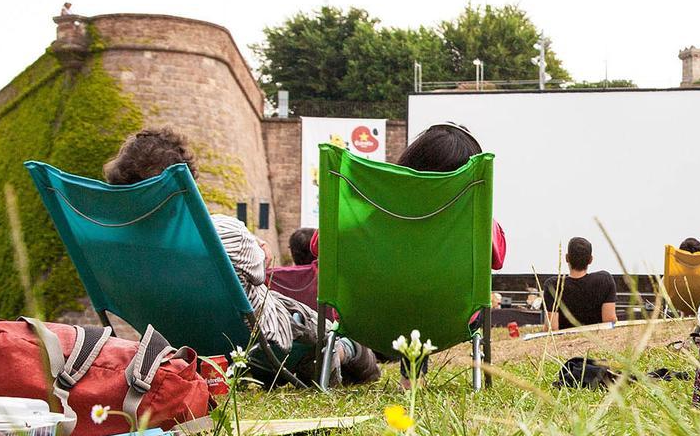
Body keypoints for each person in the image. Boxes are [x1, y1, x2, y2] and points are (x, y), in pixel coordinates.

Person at [103, 128, 380, 385]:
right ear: (184, 183)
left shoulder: (117, 247)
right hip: (264, 343)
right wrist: (257, 246)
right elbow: (260, 271)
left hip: (182, 345)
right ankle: (343, 351)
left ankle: (326, 356)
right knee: (340, 339)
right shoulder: (222, 232)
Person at [395, 122, 507, 385]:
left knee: (413, 295)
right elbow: (498, 259)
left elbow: (318, 245)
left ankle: (411, 377)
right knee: (427, 297)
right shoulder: (477, 218)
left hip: (377, 314)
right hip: (453, 318)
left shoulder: (375, 208)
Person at [543, 237, 617, 330]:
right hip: (596, 340)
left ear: (567, 258)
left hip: (564, 342)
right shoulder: (605, 280)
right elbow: (609, 321)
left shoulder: (553, 285)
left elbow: (552, 328)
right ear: (590, 260)